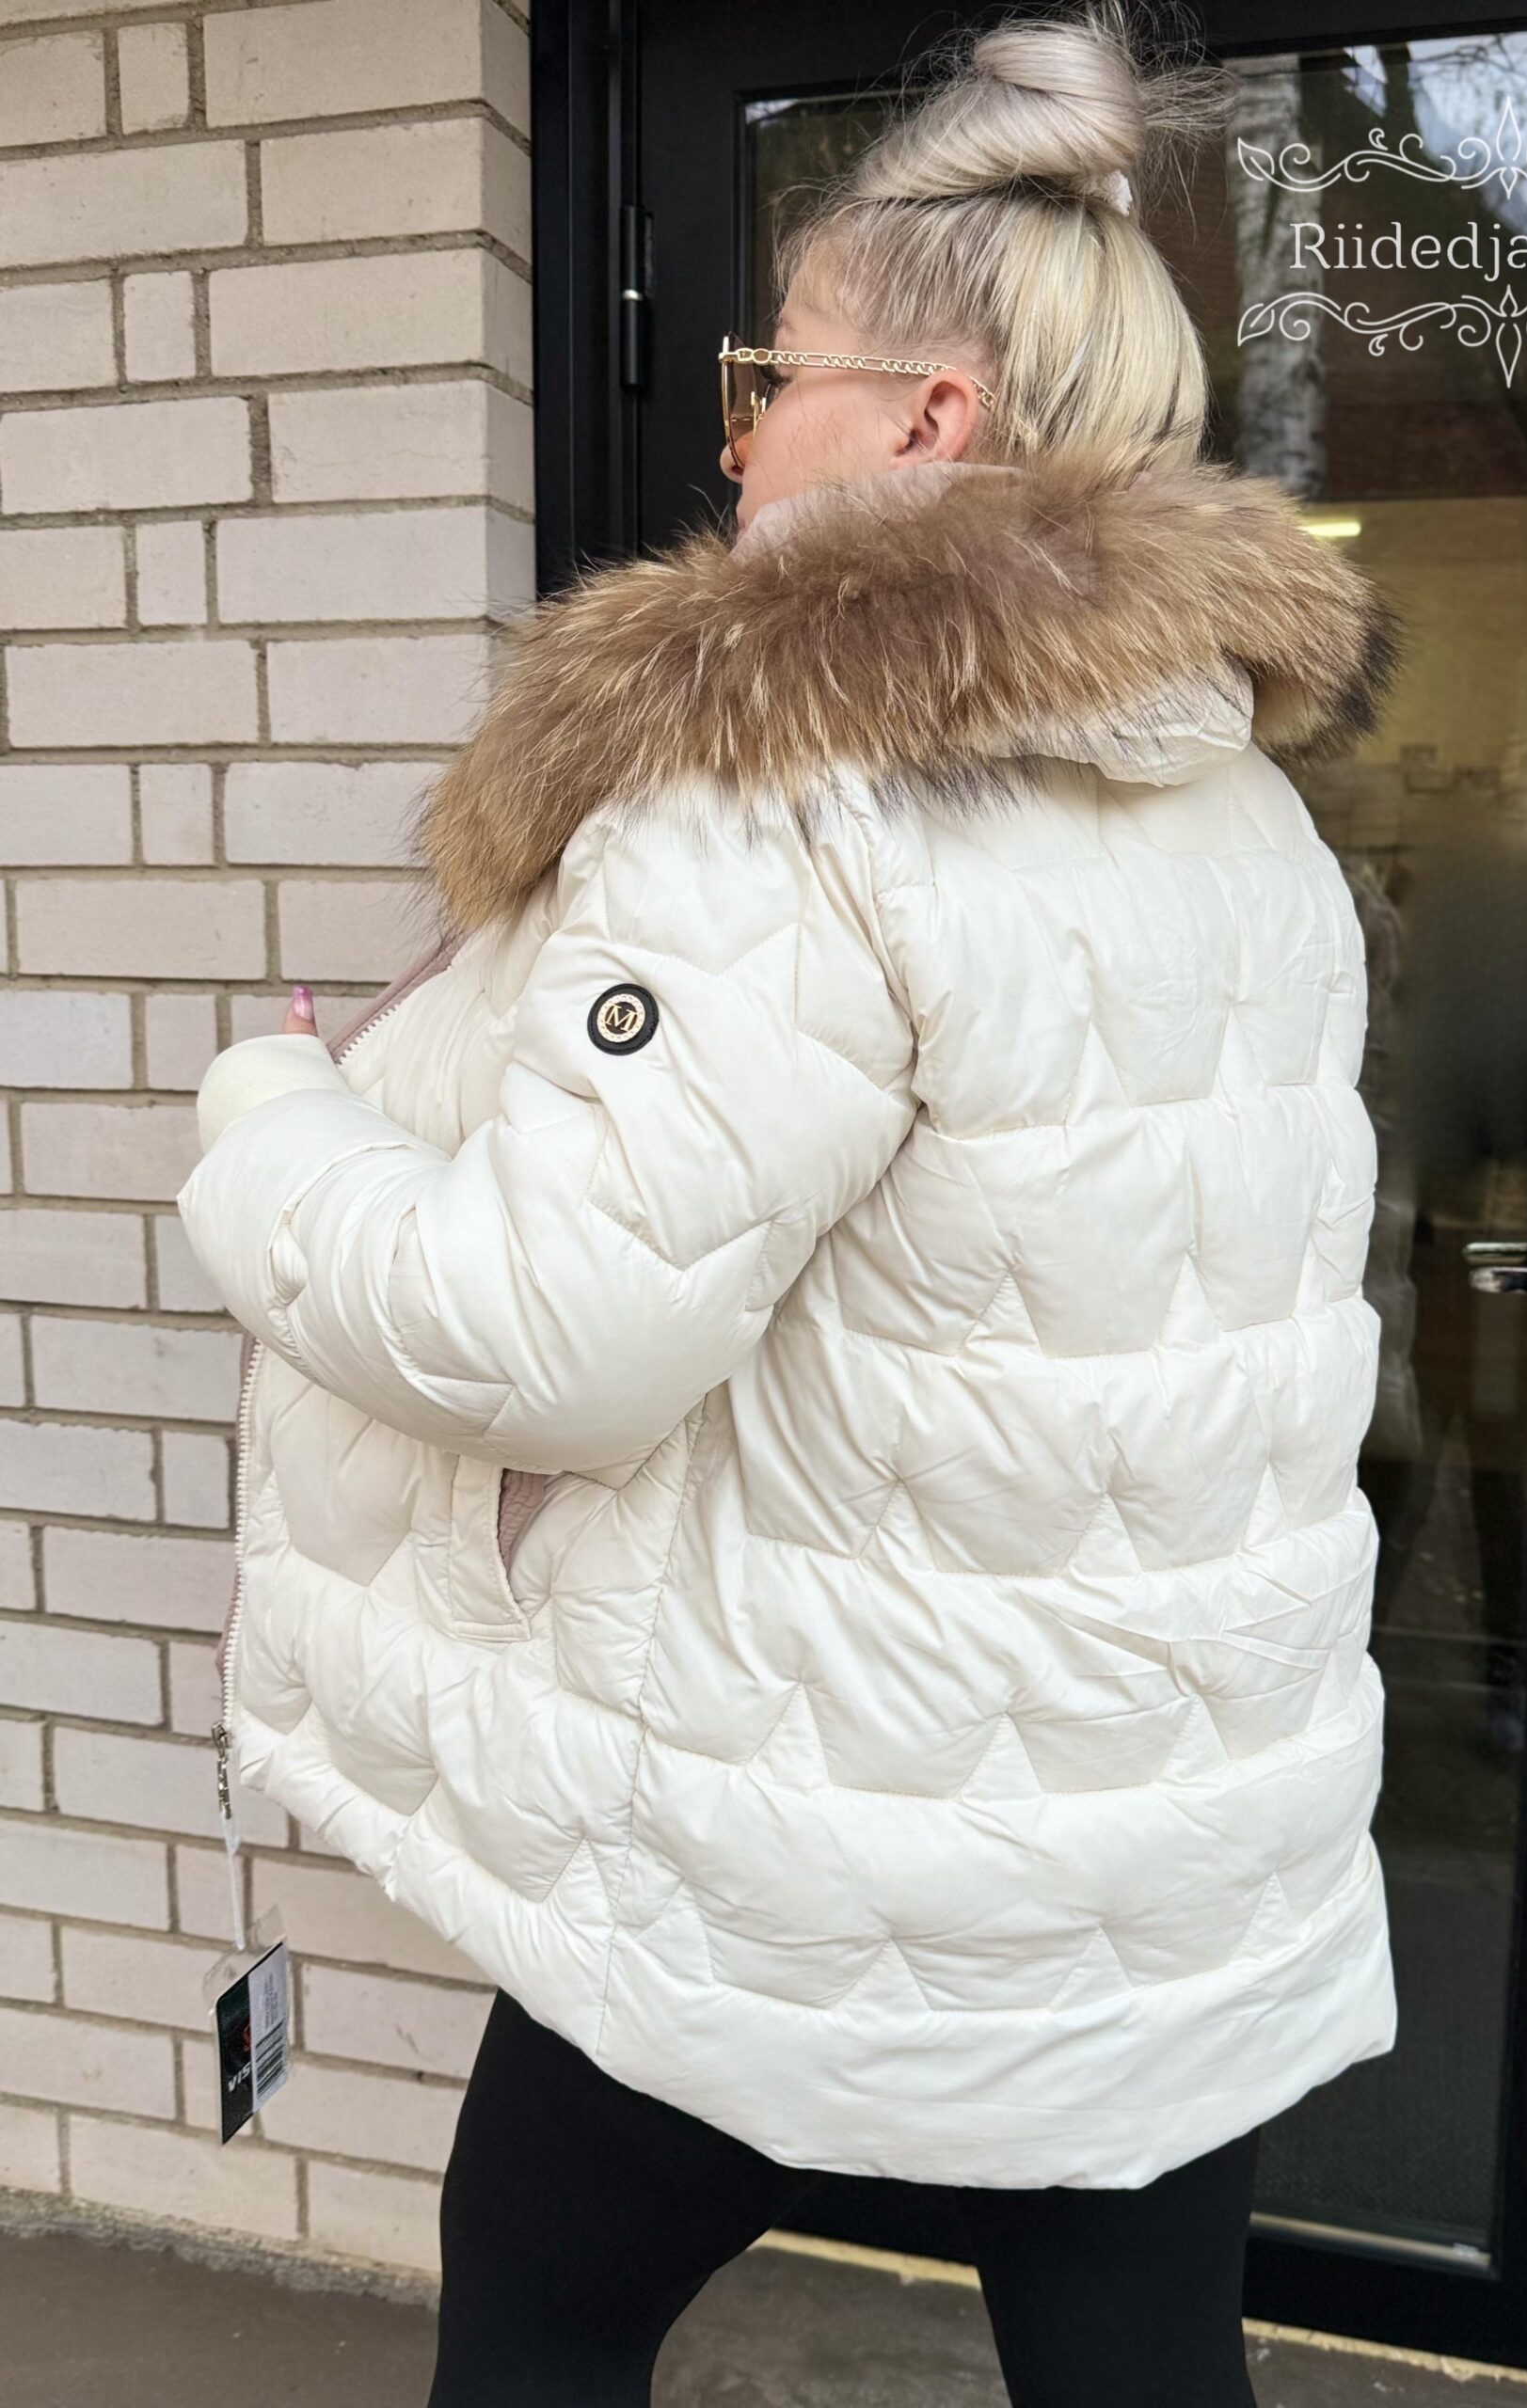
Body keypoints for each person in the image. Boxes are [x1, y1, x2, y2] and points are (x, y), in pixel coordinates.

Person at [177, 8, 1403, 2402]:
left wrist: (270, 1119)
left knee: (538, 2323)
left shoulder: (783, 789)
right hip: (1163, 1841)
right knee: (1145, 2371)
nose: (731, 433)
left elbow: (549, 1334)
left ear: (930, 420)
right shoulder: (1243, 815)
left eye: (771, 374)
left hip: (810, 1840)